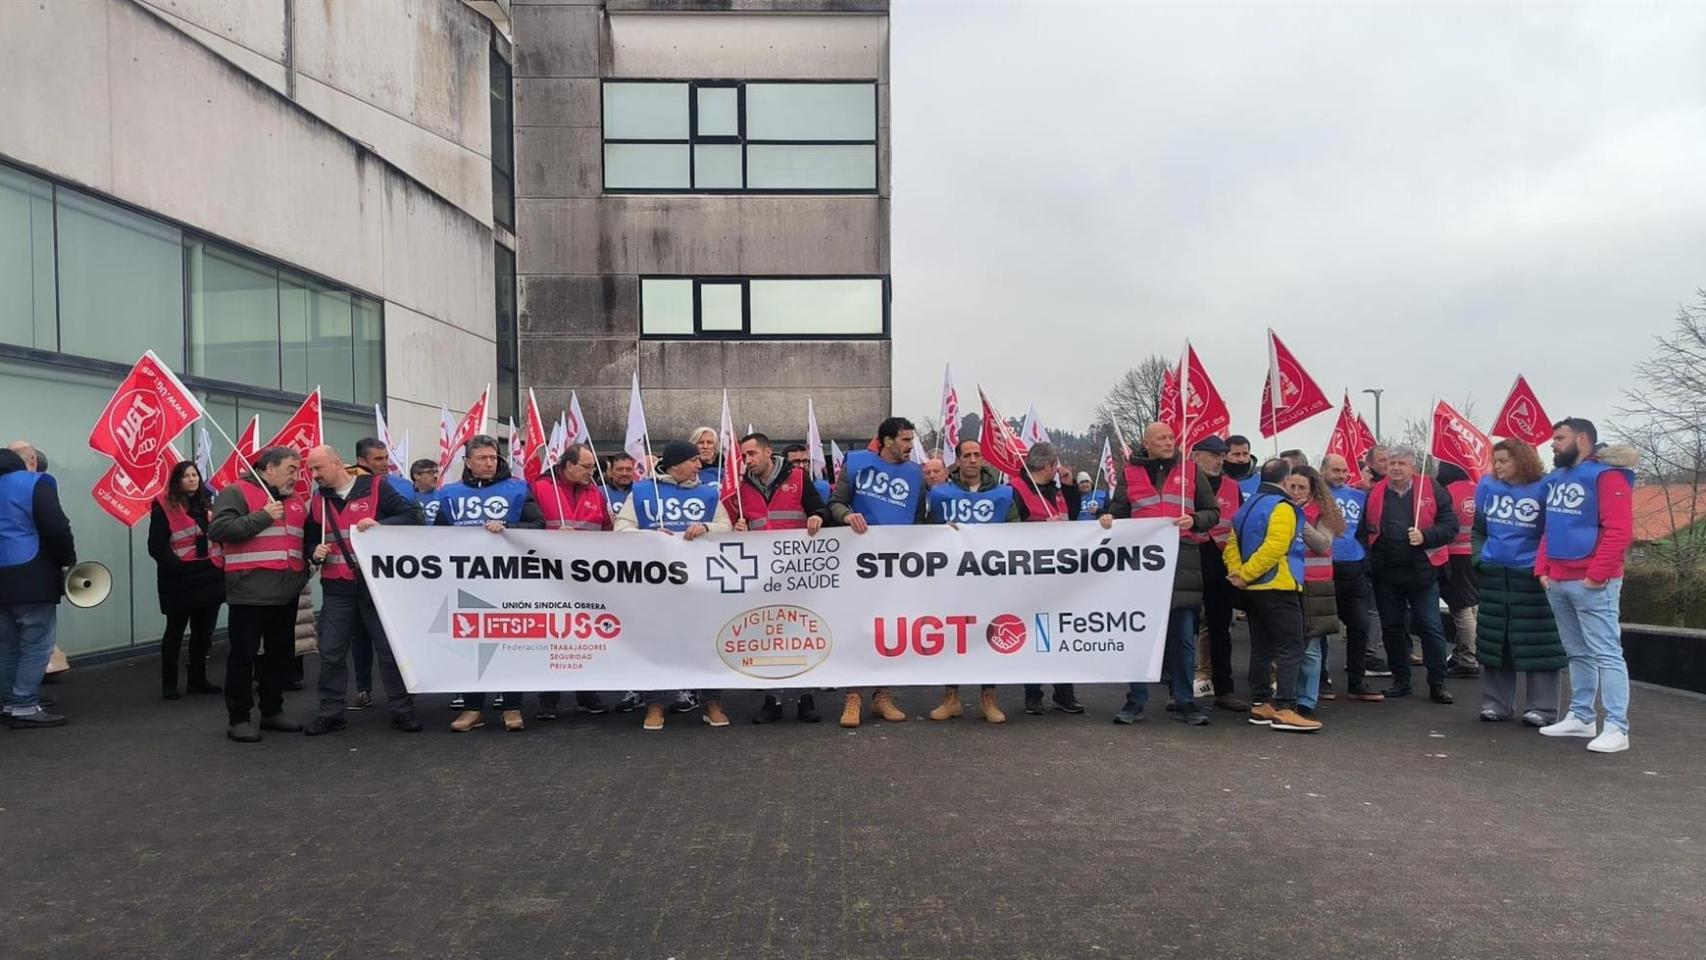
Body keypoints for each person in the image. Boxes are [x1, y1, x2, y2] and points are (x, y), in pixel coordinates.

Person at [300, 444, 424, 735]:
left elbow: (413, 517)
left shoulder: (377, 487)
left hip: (377, 587)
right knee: (331, 652)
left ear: (337, 463)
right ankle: (331, 712)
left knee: (389, 651)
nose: (314, 475)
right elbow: (308, 539)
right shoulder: (318, 500)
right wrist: (312, 551)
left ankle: (402, 710)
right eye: (311, 469)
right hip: (337, 587)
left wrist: (381, 524)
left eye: (318, 468)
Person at [614, 439, 734, 731]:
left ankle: (711, 703)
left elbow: (726, 526)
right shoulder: (643, 491)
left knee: (704, 639)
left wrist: (706, 527)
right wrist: (650, 535)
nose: (699, 465)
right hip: (656, 581)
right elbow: (622, 527)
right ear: (675, 465)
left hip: (699, 581)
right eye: (693, 460)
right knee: (657, 640)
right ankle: (655, 704)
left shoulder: (708, 493)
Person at [1105, 422, 1219, 726]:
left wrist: (1194, 519)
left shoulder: (1191, 471)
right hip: (1142, 567)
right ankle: (1135, 700)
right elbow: (1118, 511)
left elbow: (1212, 513)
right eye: (1162, 438)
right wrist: (1107, 518)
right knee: (1140, 637)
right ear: (1147, 443)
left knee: (1182, 639)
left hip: (1182, 564)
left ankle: (1184, 701)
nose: (1169, 442)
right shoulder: (1130, 473)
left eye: (1171, 437)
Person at [1536, 419, 1636, 753]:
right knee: (1577, 652)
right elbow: (1551, 526)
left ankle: (1617, 727)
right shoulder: (1558, 478)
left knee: (1606, 653)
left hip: (1592, 582)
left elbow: (1619, 530)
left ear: (1582, 439)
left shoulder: (1607, 476)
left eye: (1559, 438)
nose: (1553, 444)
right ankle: (1581, 716)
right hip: (1559, 578)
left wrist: (1596, 574)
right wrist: (1543, 568)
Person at [436, 434, 545, 732]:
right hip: (467, 579)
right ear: (467, 462)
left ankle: (512, 706)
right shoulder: (449, 493)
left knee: (510, 642)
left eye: (493, 458)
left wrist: (508, 527)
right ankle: (473, 708)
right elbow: (436, 535)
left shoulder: (517, 489)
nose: (489, 463)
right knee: (471, 644)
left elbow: (538, 524)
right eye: (482, 458)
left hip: (508, 579)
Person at [829, 416, 926, 727]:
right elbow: (835, 502)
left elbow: (919, 521)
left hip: (896, 564)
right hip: (858, 562)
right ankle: (853, 696)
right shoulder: (856, 463)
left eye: (912, 440)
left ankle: (882, 695)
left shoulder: (916, 474)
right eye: (906, 440)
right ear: (887, 441)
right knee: (858, 627)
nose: (911, 446)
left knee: (890, 628)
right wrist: (847, 516)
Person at [209, 446, 309, 742]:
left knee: (279, 656)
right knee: (244, 657)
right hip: (249, 592)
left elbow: (300, 539)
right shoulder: (237, 492)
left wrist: (310, 559)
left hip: (286, 591)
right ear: (269, 469)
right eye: (291, 469)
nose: (296, 476)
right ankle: (238, 719)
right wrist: (263, 516)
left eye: (298, 470)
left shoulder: (296, 501)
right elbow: (219, 529)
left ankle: (272, 710)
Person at [730, 432, 829, 724]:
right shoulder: (741, 486)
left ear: (767, 452)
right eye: (744, 456)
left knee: (801, 635)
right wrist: (738, 529)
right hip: (762, 574)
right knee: (767, 637)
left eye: (751, 454)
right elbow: (735, 524)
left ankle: (805, 697)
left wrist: (818, 516)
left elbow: (820, 508)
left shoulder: (797, 477)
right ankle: (771, 699)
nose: (747, 460)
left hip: (797, 570)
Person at [924, 438, 1018, 723]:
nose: (973, 460)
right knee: (953, 634)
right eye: (967, 455)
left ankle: (988, 698)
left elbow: (1016, 530)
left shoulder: (1003, 494)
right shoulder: (941, 494)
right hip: (953, 576)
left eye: (977, 454)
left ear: (983, 459)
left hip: (989, 576)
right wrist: (942, 530)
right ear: (958, 460)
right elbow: (926, 531)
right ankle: (951, 697)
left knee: (988, 633)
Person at [1223, 458, 1320, 733]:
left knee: (1262, 647)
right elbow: (1275, 547)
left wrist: (1239, 574)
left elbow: (1231, 546)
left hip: (1252, 590)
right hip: (1278, 585)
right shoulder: (1283, 507)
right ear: (1286, 479)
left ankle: (1260, 703)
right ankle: (1286, 708)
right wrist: (1247, 573)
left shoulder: (1246, 506)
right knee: (1291, 647)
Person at [1473, 438, 1564, 726]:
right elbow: (1478, 530)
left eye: (1504, 460)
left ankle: (1543, 709)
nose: (1498, 466)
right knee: (1496, 644)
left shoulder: (1545, 487)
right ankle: (1496, 704)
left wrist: (1543, 567)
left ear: (1522, 460)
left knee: (1540, 643)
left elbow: (1553, 531)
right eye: (1496, 460)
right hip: (1494, 575)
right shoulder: (1487, 487)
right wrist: (1479, 559)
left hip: (1531, 576)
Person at [1357, 445, 1458, 704]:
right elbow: (1363, 532)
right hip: (1387, 573)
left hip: (1423, 571)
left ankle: (1437, 682)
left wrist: (1426, 536)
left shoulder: (1432, 488)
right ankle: (1401, 680)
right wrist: (1370, 562)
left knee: (1430, 627)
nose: (1395, 468)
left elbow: (1450, 526)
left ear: (1412, 466)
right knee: (1392, 627)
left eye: (1401, 463)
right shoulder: (1374, 493)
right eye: (1392, 463)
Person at [529, 442, 617, 720]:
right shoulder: (540, 487)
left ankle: (587, 693)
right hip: (549, 576)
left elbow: (606, 530)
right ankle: (548, 698)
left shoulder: (595, 492)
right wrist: (549, 534)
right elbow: (526, 526)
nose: (592, 472)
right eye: (586, 466)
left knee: (587, 636)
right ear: (568, 465)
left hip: (586, 578)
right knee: (551, 636)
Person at [0, 446, 75, 728]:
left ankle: (9, 702)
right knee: (37, 643)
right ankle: (24, 705)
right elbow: (56, 526)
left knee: (7, 645)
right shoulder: (38, 481)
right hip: (31, 574)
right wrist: (67, 559)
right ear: (26, 462)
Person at [1012, 442, 1086, 715]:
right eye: (1057, 465)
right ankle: (1033, 694)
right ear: (1048, 466)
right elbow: (1007, 531)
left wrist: (1069, 488)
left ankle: (1064, 693)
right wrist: (1043, 528)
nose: (1059, 469)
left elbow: (1072, 518)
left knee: (1061, 633)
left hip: (1059, 575)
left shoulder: (1057, 490)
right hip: (1031, 575)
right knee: (1034, 634)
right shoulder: (1016, 490)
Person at [146, 460, 225, 700]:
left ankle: (197, 680)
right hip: (179, 580)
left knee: (203, 633)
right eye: (186, 475)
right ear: (176, 480)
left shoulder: (207, 503)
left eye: (195, 475)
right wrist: (180, 568)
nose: (192, 479)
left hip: (209, 576)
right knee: (175, 632)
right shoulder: (164, 506)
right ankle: (169, 684)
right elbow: (157, 546)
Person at [1188, 437, 1249, 711]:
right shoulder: (1183, 484)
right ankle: (1178, 687)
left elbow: (1239, 523)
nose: (1219, 460)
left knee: (1220, 628)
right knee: (1183, 626)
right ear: (1196, 456)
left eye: (1222, 455)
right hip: (1190, 557)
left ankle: (1224, 689)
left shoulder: (1232, 487)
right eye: (1213, 455)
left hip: (1222, 561)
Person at [1321, 454, 1385, 701]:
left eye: (1344, 470)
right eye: (1335, 470)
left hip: (1354, 568)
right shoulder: (1315, 496)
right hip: (1324, 569)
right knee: (1322, 628)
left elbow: (1366, 530)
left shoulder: (1359, 496)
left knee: (1360, 624)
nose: (1341, 475)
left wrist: (1365, 561)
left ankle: (1356, 682)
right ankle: (1321, 679)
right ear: (1323, 471)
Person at [1287, 466, 1343, 717]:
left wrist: (1298, 518)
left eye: (1302, 487)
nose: (1296, 491)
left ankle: (1306, 699)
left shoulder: (1325, 511)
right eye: (1292, 486)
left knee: (1311, 646)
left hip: (1315, 582)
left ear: (1312, 490)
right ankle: (1287, 693)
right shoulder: (1281, 507)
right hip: (1288, 579)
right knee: (1289, 643)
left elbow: (1322, 544)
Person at [1436, 461, 1481, 678]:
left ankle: (1467, 659)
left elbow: (1441, 523)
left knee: (1460, 607)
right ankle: (1462, 652)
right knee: (1471, 605)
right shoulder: (1480, 488)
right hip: (1478, 552)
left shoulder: (1447, 491)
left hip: (1455, 554)